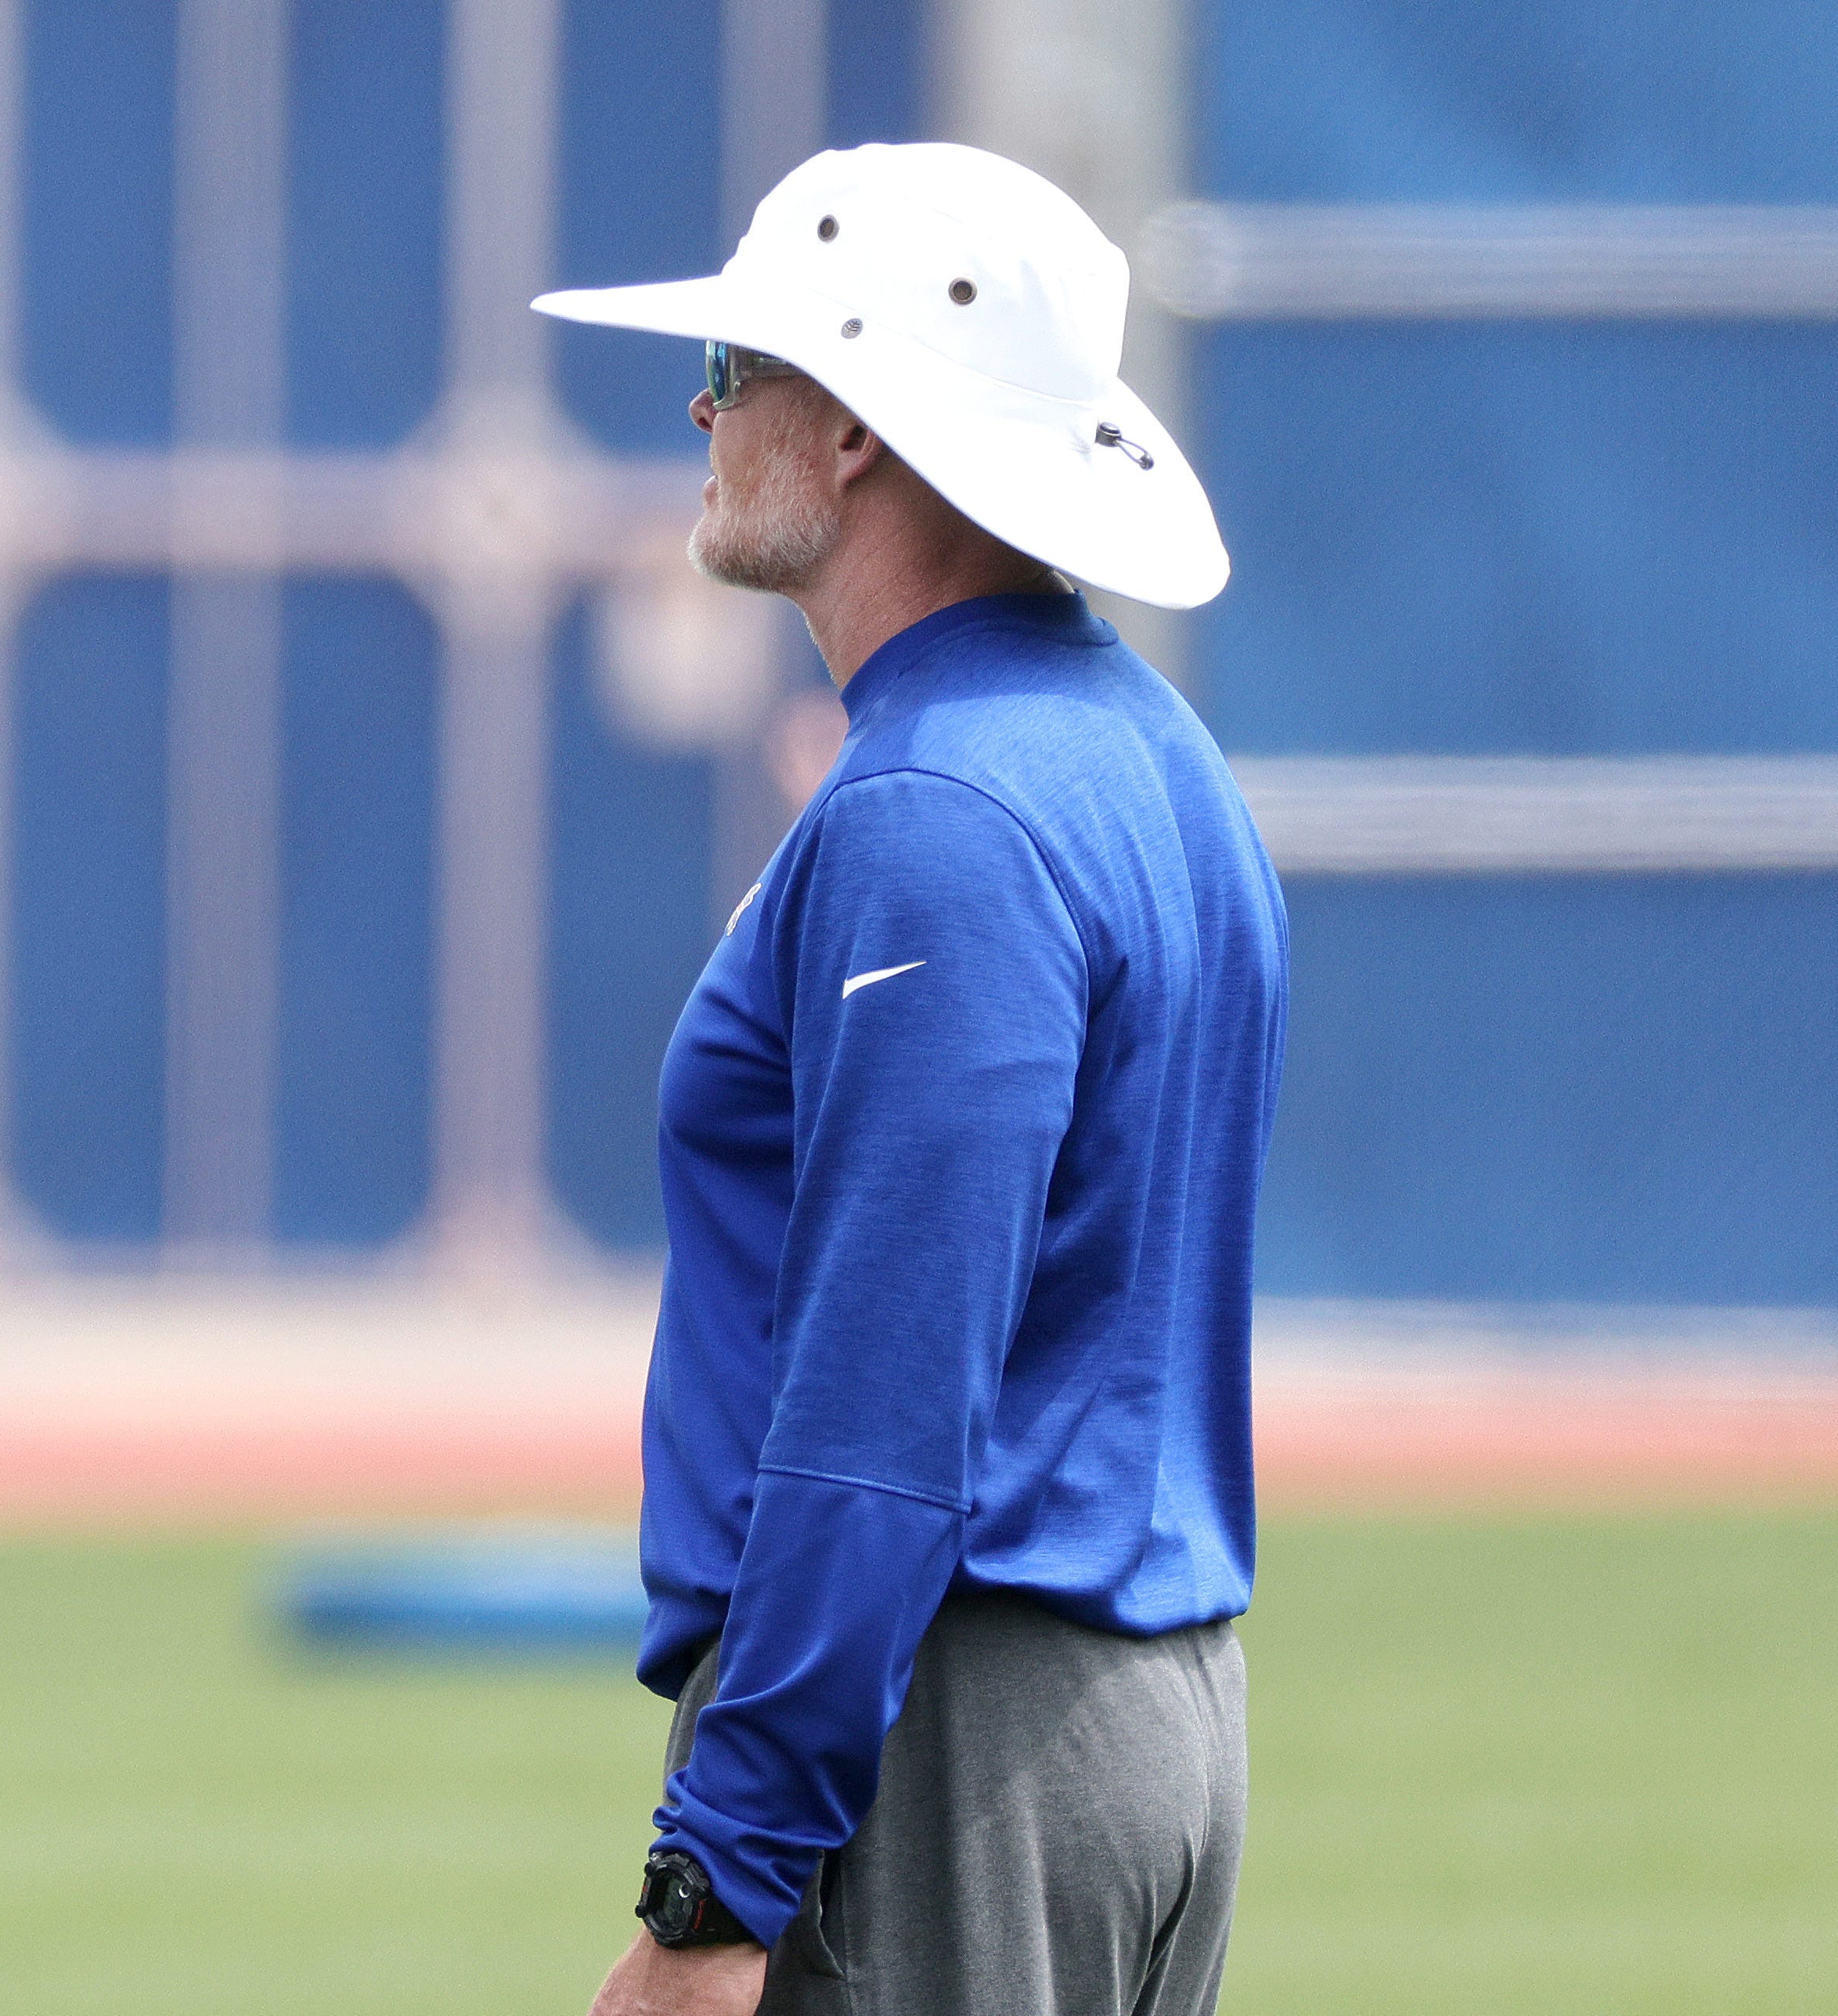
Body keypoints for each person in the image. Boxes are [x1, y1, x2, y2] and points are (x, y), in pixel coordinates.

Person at [534, 142, 1281, 2016]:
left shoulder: (937, 810)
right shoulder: (1147, 753)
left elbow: (883, 1394)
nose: (699, 408)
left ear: (853, 428)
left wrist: (716, 1881)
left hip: (956, 1742)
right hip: (1133, 1711)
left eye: (735, 363)